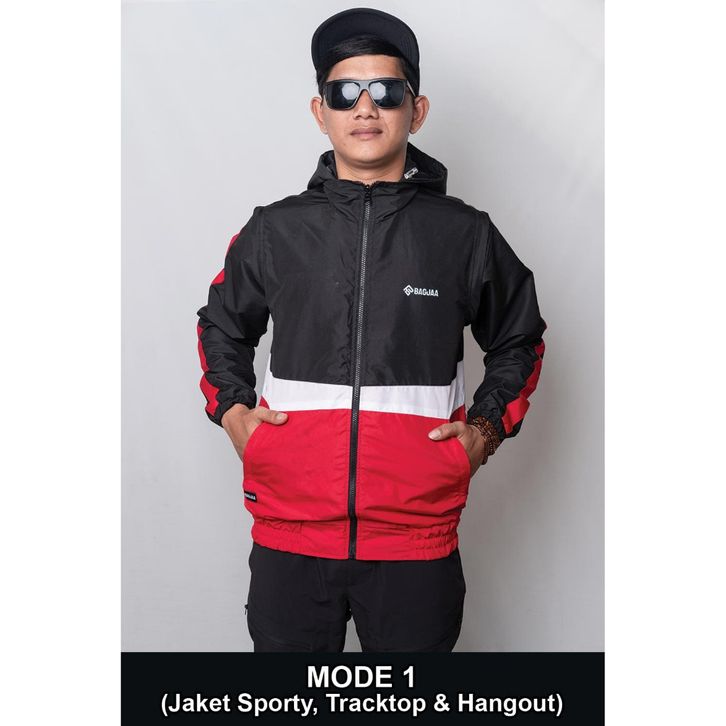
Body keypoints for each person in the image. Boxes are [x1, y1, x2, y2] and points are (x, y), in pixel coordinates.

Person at [196, 7, 547, 652]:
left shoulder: (463, 235)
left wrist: (485, 430)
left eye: (386, 91)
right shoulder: (275, 230)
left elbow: (520, 338)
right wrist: (234, 412)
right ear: (319, 111)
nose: (365, 108)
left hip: (417, 540)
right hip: (291, 534)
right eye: (345, 93)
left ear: (417, 110)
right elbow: (220, 325)